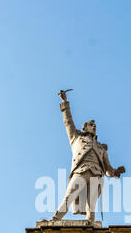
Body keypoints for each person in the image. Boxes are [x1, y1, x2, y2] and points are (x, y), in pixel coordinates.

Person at [51, 90, 125, 223]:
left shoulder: (101, 148)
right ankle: (55, 219)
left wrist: (116, 172)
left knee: (92, 204)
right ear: (85, 128)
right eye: (91, 125)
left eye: (95, 125)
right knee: (69, 196)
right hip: (81, 171)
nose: (94, 126)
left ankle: (90, 222)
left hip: (97, 173)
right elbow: (68, 122)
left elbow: (108, 169)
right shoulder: (76, 138)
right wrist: (64, 103)